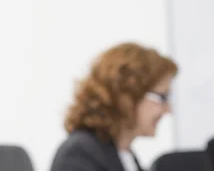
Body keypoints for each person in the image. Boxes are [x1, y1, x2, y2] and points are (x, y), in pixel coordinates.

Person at [50, 42, 178, 171]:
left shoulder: (126, 156)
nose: (168, 110)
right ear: (127, 95)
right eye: (162, 97)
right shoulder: (78, 154)